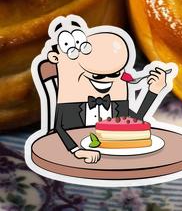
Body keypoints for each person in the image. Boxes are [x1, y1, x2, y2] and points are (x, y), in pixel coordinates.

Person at [45, 18, 170, 163]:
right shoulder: (71, 101)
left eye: (115, 74)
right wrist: (77, 151)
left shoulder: (116, 95)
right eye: (98, 75)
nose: (107, 80)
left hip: (118, 159)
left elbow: (133, 122)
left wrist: (153, 91)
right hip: (69, 160)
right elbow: (59, 129)